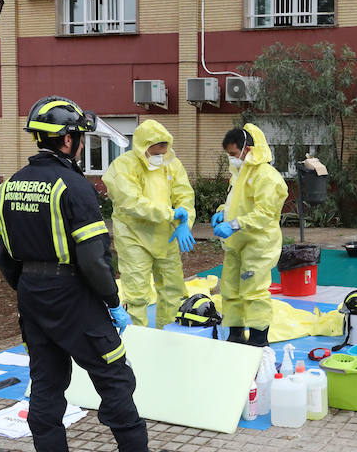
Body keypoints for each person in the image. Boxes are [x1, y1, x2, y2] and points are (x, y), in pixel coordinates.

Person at [0, 97, 172, 452]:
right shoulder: (74, 186)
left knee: (46, 381)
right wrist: (111, 301)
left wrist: (27, 288)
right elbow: (93, 258)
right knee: (113, 376)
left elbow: (1, 253)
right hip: (74, 295)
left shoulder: (8, 186)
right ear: (69, 140)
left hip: (32, 294)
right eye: (78, 136)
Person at [103, 119, 196, 329]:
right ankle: (138, 341)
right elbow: (131, 203)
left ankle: (169, 337)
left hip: (166, 236)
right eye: (155, 151)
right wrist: (171, 214)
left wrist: (185, 222)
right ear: (142, 146)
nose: (159, 156)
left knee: (173, 290)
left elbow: (184, 196)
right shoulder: (123, 166)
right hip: (134, 236)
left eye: (163, 150)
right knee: (137, 294)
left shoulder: (172, 164)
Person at [213, 124, 287, 346]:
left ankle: (257, 339)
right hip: (236, 243)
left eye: (234, 154)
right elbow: (236, 203)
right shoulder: (240, 173)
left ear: (248, 149)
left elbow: (265, 214)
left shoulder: (268, 177)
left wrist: (233, 224)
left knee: (253, 291)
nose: (232, 159)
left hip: (258, 245)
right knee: (230, 289)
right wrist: (220, 214)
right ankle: (236, 335)